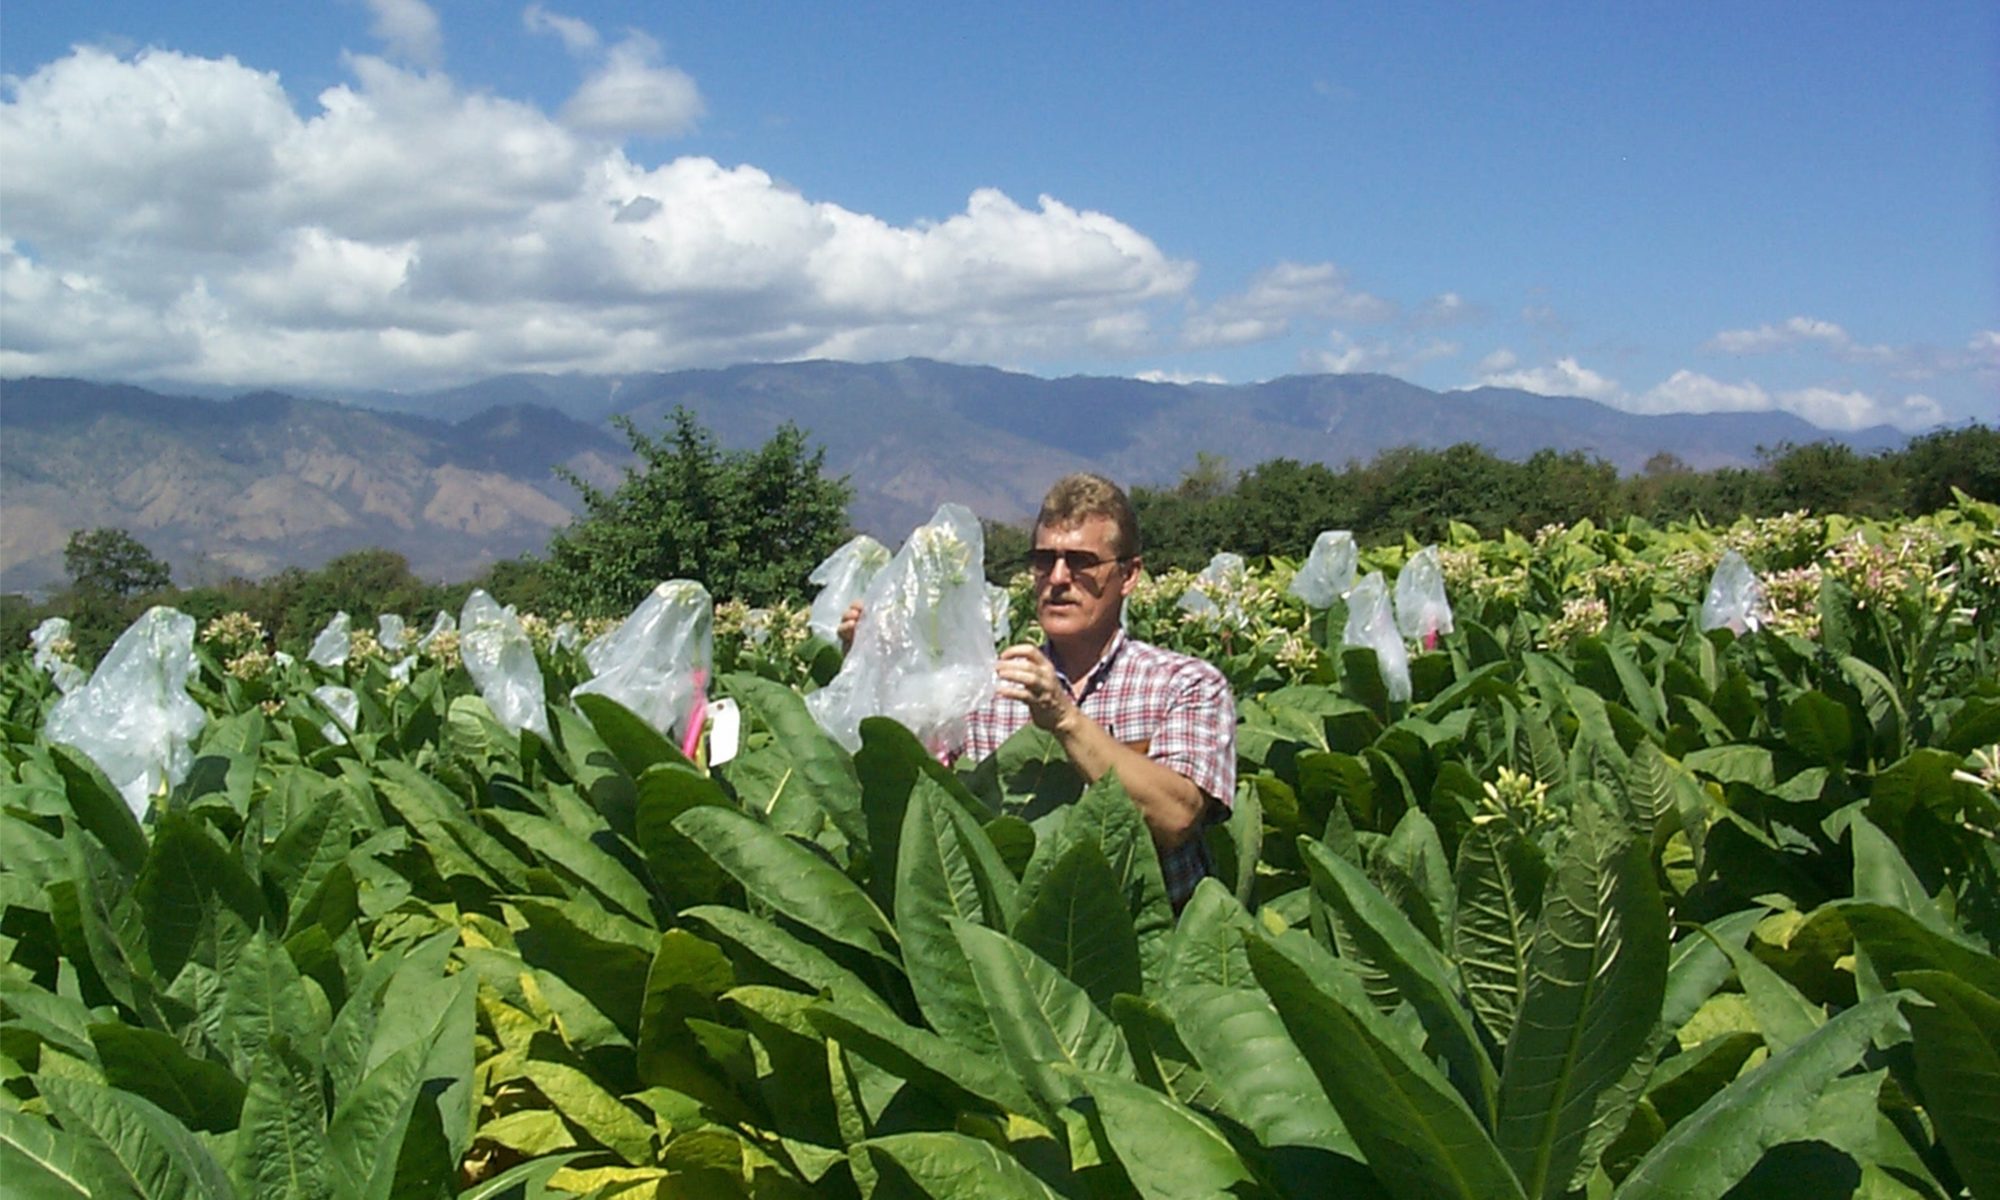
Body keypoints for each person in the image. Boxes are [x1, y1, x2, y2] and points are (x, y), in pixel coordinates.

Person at [842, 473, 1236, 908]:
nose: (1058, 578)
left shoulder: (1186, 684)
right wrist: (873, 664)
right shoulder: (986, 688)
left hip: (1146, 953)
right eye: (1044, 561)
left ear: (1129, 575)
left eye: (1081, 561)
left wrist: (1066, 720)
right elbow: (919, 799)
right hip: (1014, 956)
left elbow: (1176, 817)